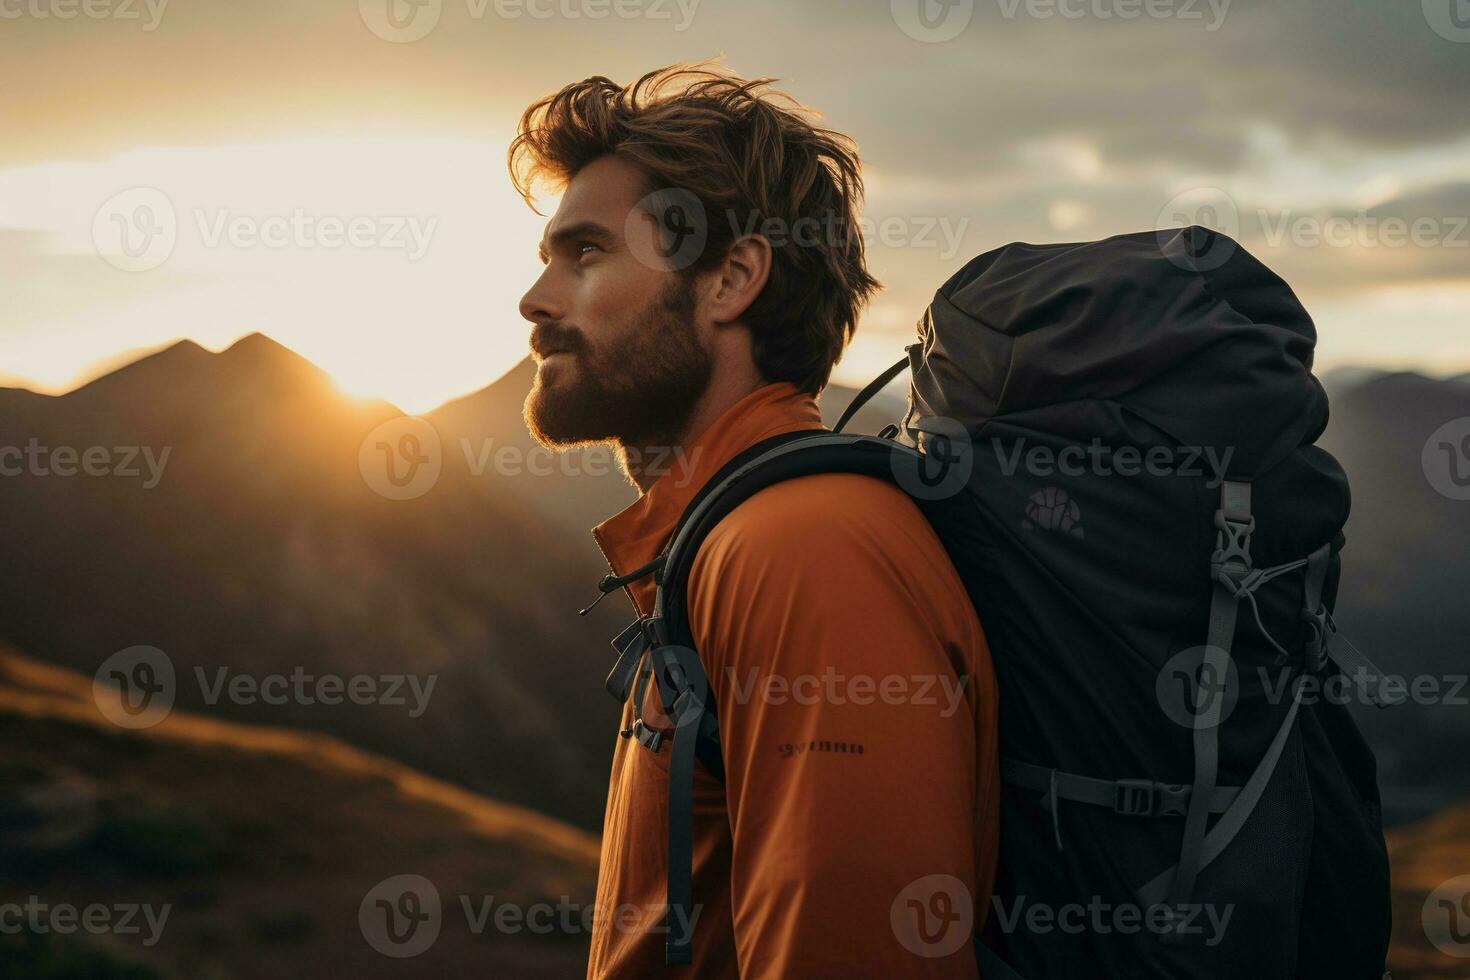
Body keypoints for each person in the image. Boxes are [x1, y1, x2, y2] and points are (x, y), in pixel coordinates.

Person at [510, 62, 998, 978]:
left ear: (730, 278)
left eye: (585, 254)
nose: (534, 302)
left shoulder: (802, 551)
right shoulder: (728, 540)